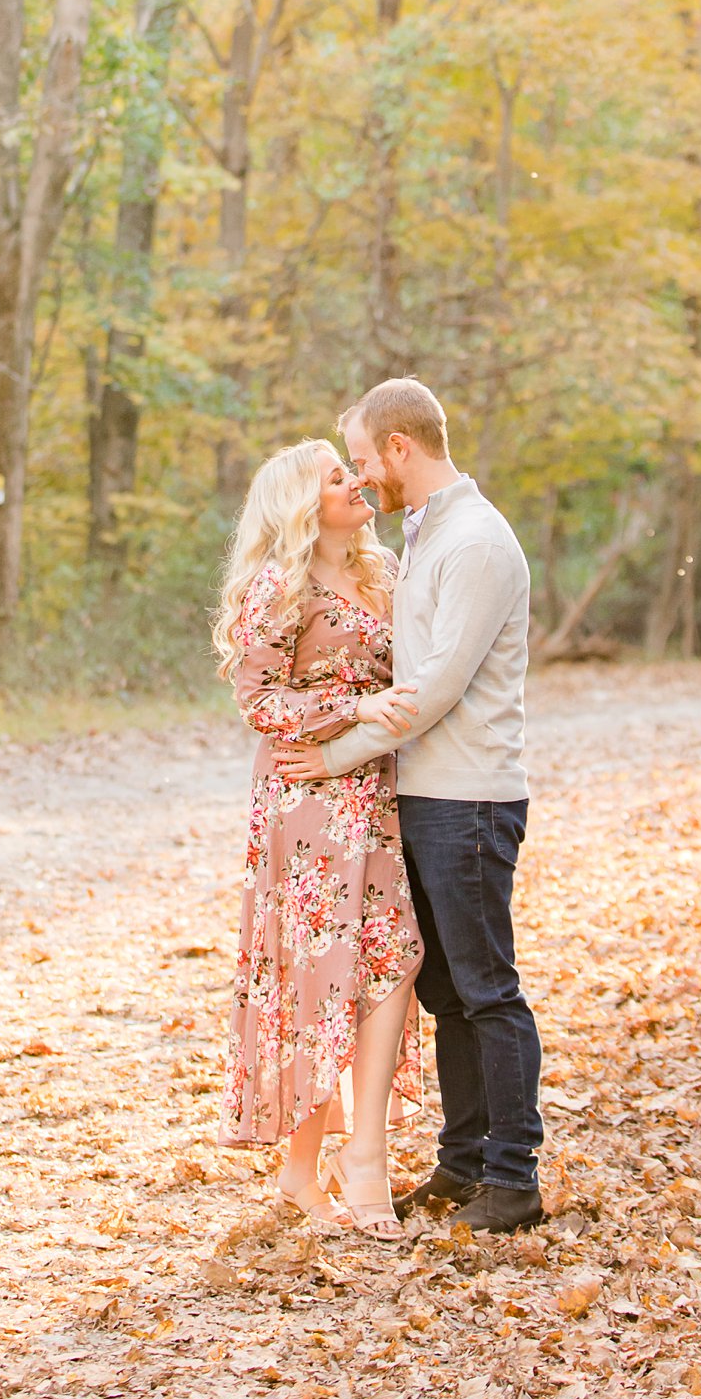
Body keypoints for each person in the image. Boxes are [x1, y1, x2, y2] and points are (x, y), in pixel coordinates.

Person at [276, 379, 544, 1231]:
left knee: (487, 987)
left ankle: (514, 1175)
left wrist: (328, 754)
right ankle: (462, 1163)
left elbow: (428, 692)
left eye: (362, 460)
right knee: (447, 994)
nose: (361, 480)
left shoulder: (475, 542)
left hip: (470, 799)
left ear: (399, 447)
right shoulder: (426, 534)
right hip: (426, 796)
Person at [213, 439, 424, 1239]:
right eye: (339, 476)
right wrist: (352, 712)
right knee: (318, 980)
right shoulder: (281, 584)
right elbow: (257, 700)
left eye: (352, 469)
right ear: (305, 502)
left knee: (392, 956)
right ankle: (301, 1174)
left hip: (371, 793)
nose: (357, 481)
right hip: (306, 803)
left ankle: (357, 1153)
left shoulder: (382, 574)